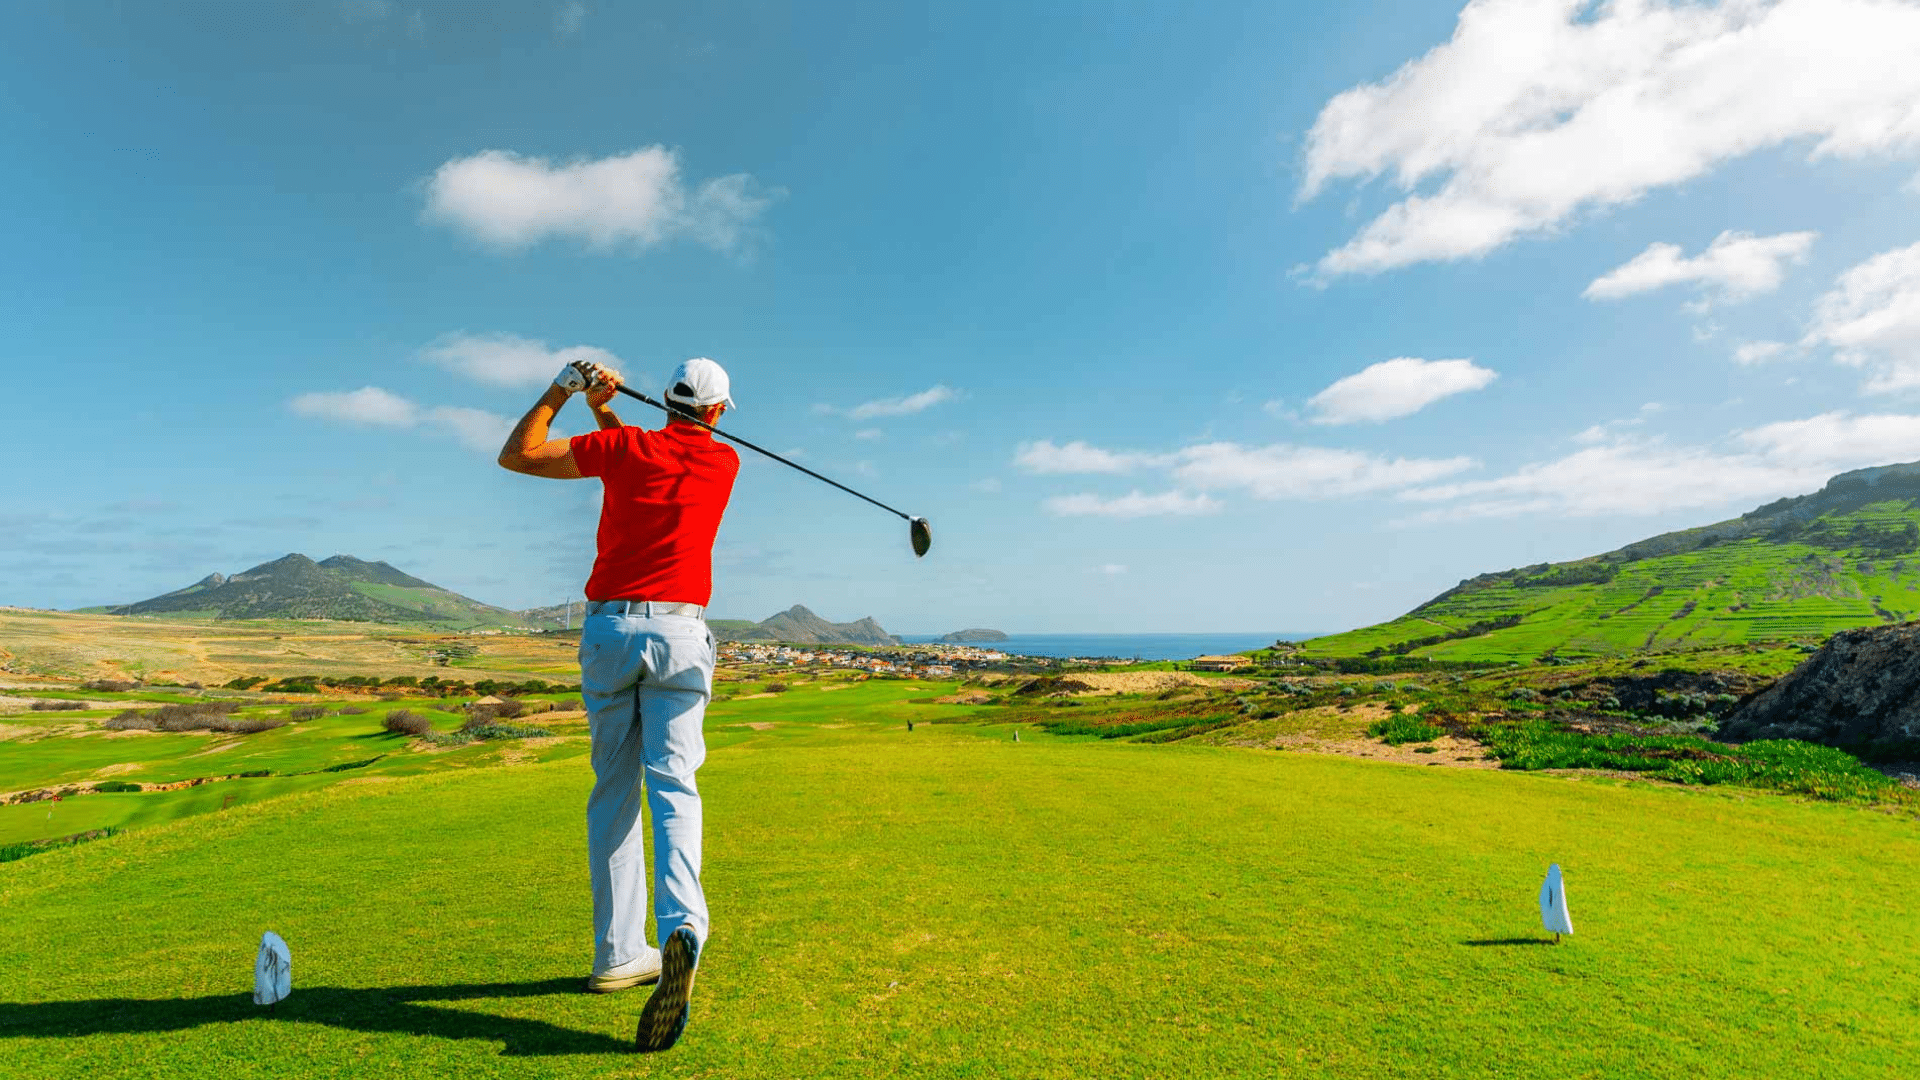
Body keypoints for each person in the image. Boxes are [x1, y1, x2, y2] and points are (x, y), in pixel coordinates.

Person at [496, 356, 740, 1053]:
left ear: (664, 399)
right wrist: (609, 410)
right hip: (682, 634)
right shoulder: (724, 466)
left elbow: (519, 455)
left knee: (613, 793)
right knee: (675, 786)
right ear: (719, 413)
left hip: (611, 630)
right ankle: (682, 926)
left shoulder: (626, 448)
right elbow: (652, 458)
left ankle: (615, 956)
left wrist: (569, 390)